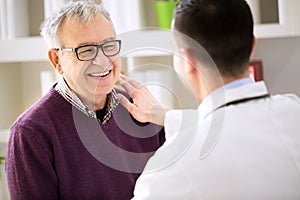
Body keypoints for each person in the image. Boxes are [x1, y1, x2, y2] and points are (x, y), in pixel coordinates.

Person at [118, 0, 300, 199]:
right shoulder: (293, 110)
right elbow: (236, 125)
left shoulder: (170, 171)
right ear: (253, 45)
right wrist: (167, 116)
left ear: (187, 60)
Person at [5, 1, 165, 199]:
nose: (102, 60)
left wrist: (164, 118)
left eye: (109, 45)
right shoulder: (30, 133)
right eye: (86, 50)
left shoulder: (142, 110)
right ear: (57, 61)